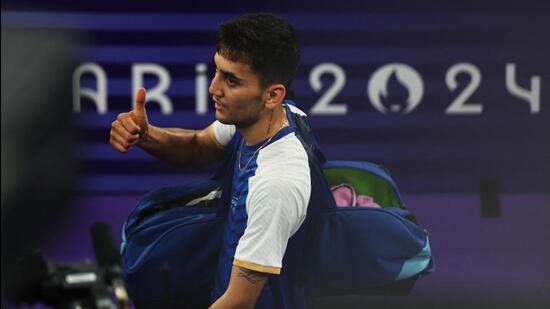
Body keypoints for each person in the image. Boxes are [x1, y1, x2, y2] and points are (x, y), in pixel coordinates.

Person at [110, 13, 326, 308]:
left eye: (231, 80)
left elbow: (238, 303)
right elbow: (198, 147)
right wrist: (145, 135)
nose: (213, 88)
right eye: (217, 71)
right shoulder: (264, 118)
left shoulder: (277, 181)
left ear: (272, 95)